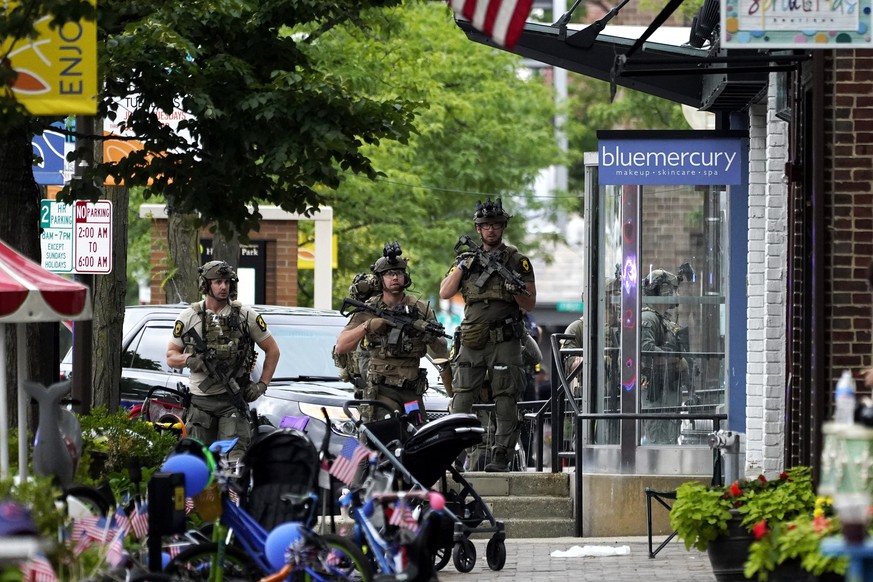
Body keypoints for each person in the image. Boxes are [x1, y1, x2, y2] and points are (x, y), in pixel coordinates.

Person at [439, 197, 536, 472]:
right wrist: (462, 266)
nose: (490, 230)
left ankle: (501, 456)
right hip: (472, 339)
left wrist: (515, 290)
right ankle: (453, 454)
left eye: (495, 224)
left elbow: (530, 303)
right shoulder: (466, 259)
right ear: (478, 229)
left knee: (506, 398)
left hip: (505, 339)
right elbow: (445, 292)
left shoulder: (518, 261)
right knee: (461, 398)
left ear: (503, 227)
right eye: (485, 225)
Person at [166, 260, 280, 460]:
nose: (223, 287)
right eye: (218, 281)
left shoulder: (245, 315)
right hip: (200, 402)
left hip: (233, 402)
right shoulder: (189, 316)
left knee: (233, 461)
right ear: (205, 285)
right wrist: (190, 360)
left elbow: (272, 350)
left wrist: (261, 385)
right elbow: (171, 356)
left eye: (227, 282)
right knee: (199, 460)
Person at [335, 242, 449, 423]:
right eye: (389, 274)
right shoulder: (369, 308)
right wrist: (368, 326)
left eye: (399, 273)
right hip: (382, 391)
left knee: (418, 439)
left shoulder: (420, 308)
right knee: (379, 440)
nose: (395, 277)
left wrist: (430, 338)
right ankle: (354, 451)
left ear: (406, 277)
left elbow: (441, 350)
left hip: (411, 392)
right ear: (380, 279)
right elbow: (341, 345)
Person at [639, 269, 689, 445]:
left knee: (670, 436)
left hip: (669, 388)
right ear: (660, 290)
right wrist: (674, 358)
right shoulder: (648, 317)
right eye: (672, 289)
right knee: (658, 438)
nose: (676, 294)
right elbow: (645, 350)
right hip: (656, 390)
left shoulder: (663, 319)